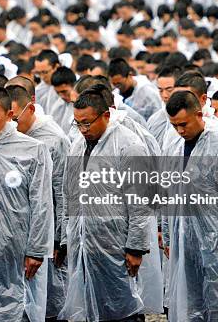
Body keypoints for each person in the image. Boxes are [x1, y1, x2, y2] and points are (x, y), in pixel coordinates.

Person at [59, 86, 151, 322]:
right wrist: (67, 239)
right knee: (88, 305)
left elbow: (140, 203)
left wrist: (135, 248)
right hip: (84, 242)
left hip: (116, 243)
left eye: (87, 123)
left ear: (106, 116)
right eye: (77, 123)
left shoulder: (128, 145)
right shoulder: (78, 145)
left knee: (122, 306)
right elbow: (70, 193)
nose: (82, 129)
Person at [0, 86, 54, 321]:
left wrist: (36, 249)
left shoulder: (32, 150)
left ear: (9, 114)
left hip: (16, 245)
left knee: (18, 305)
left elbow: (42, 203)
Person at [162, 91, 218, 321]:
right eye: (174, 126)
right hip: (184, 237)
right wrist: (168, 236)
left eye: (183, 124)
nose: (179, 131)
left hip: (215, 241)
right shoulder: (174, 148)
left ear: (199, 115)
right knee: (191, 302)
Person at [7, 84, 71, 321]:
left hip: (48, 235)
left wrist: (58, 239)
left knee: (51, 299)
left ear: (29, 108)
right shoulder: (9, 138)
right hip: (19, 233)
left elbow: (63, 192)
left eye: (15, 117)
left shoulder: (53, 140)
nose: (11, 124)